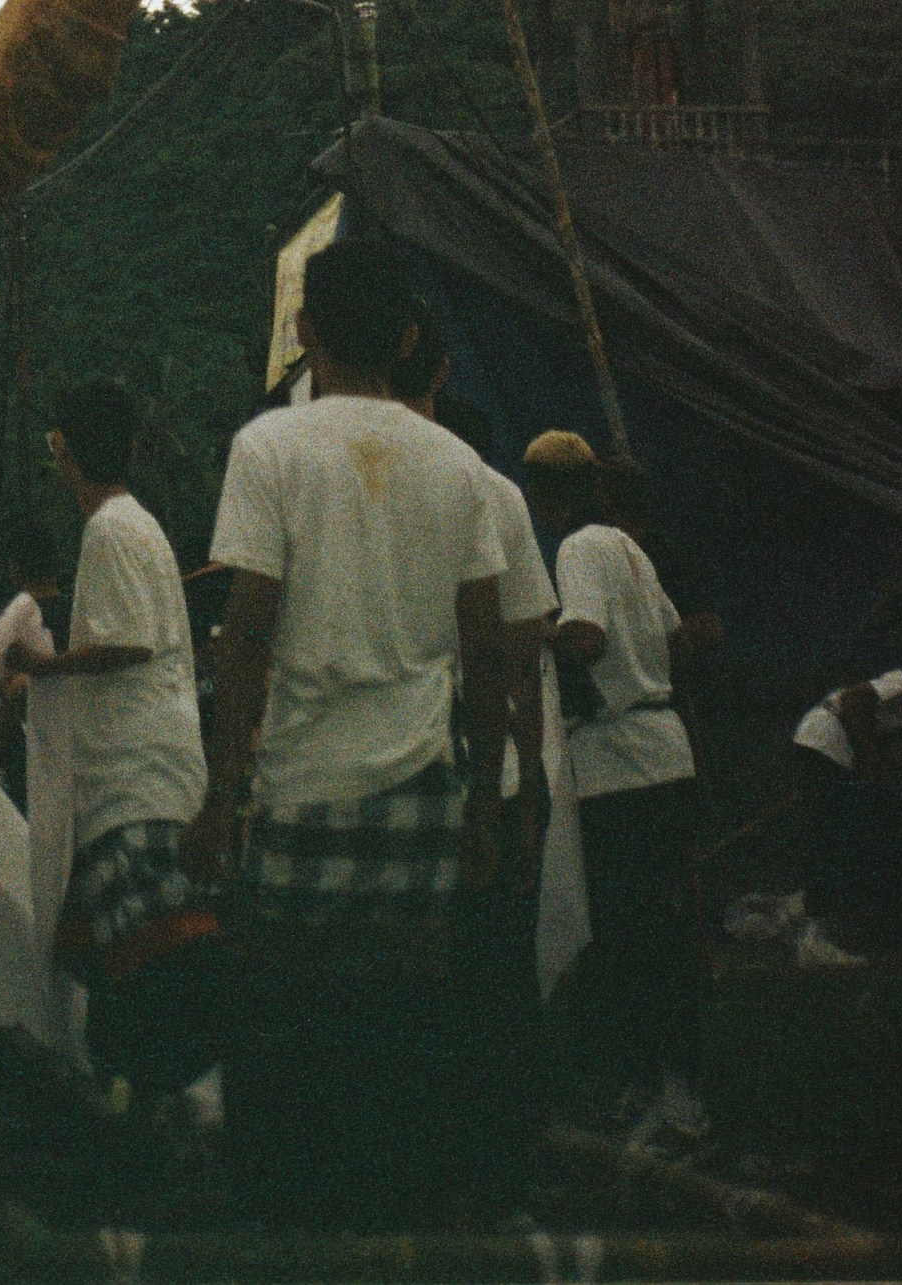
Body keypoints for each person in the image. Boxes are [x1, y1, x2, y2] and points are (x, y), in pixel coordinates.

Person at [189, 239, 507, 1229]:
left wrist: (222, 790)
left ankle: (290, 1231)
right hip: (422, 785)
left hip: (302, 784)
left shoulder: (269, 448)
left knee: (285, 1035)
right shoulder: (461, 464)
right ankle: (395, 1228)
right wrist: (486, 804)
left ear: (304, 330)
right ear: (409, 337)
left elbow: (247, 632)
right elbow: (487, 651)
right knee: (405, 1033)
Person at [16, 379, 217, 1206]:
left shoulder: (109, 527)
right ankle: (151, 1116)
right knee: (134, 955)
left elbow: (124, 641)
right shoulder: (135, 527)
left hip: (137, 770)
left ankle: (156, 1123)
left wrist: (44, 666)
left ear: (65, 450)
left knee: (149, 961)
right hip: (146, 763)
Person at [402, 331, 556, 1219]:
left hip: (417, 776)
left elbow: (519, 655)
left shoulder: (360, 478)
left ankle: (460, 1174)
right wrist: (525, 784)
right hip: (478, 773)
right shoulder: (489, 489)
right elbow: (524, 654)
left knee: (441, 984)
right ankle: (497, 1175)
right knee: (492, 981)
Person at [526, 431, 706, 1143]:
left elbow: (586, 639)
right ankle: (670, 1083)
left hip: (618, 762)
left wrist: (530, 635)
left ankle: (665, 1094)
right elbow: (672, 636)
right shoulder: (627, 546)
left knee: (631, 937)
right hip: (663, 750)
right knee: (660, 934)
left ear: (542, 491)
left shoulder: (575, 549)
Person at [790, 668, 902, 959]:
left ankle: (858, 928)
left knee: (853, 838)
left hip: (841, 752)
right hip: (826, 739)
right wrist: (870, 762)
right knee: (832, 837)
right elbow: (853, 701)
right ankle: (825, 931)